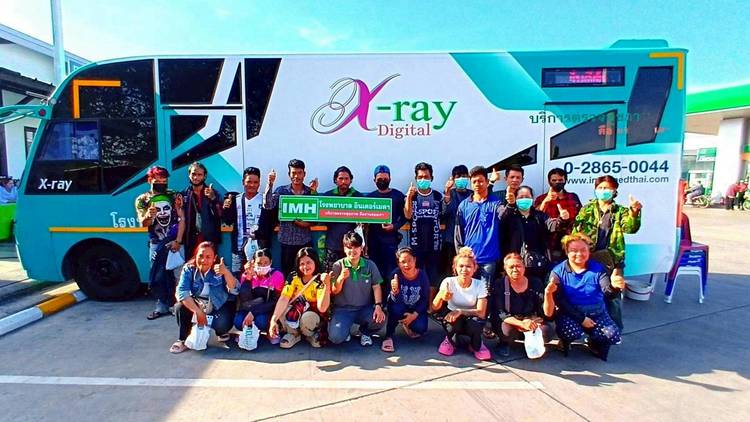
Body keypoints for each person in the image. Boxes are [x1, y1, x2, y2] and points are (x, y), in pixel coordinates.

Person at [573, 175, 642, 330]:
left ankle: (615, 331)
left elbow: (630, 228)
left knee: (612, 297)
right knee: (589, 295)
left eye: (607, 188)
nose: (603, 191)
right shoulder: (587, 209)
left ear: (614, 190)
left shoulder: (620, 211)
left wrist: (634, 212)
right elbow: (576, 232)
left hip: (612, 261)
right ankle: (591, 330)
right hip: (589, 259)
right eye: (600, 188)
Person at [547, 233, 623, 361]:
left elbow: (608, 293)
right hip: (570, 312)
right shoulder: (557, 272)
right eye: (574, 250)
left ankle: (595, 342)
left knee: (612, 335)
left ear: (589, 251)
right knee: (569, 332)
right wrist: (581, 318)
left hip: (597, 313)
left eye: (583, 250)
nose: (579, 254)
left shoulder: (599, 269)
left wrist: (615, 287)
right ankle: (565, 342)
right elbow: (559, 300)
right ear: (567, 252)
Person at [169, 241, 239, 354]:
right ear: (196, 256)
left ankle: (221, 332)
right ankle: (182, 339)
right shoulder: (189, 269)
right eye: (200, 256)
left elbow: (234, 289)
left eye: (208, 257)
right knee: (179, 307)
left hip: (218, 305)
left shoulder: (221, 269)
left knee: (222, 324)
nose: (203, 260)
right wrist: (198, 312)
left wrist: (226, 273)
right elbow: (182, 292)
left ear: (214, 258)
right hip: (198, 304)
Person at [135, 166, 185, 320]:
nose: (162, 184)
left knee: (179, 275)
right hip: (156, 243)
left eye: (164, 181)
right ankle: (161, 306)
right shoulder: (142, 199)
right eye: (158, 181)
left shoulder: (174, 195)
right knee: (158, 276)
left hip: (174, 241)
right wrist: (149, 216)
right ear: (150, 180)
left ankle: (179, 306)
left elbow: (182, 218)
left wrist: (178, 240)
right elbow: (143, 223)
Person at [432, 247, 491, 361]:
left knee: (475, 327)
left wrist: (460, 311)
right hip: (453, 317)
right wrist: (441, 296)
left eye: (468, 266)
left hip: (472, 316)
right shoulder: (448, 281)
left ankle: (476, 342)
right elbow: (434, 307)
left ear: (474, 268)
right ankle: (449, 340)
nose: (464, 269)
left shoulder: (480, 285)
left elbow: (481, 313)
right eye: (461, 266)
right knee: (452, 324)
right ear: (455, 267)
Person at [328, 231, 386, 346]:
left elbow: (376, 286)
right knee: (335, 337)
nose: (352, 251)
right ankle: (345, 331)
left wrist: (378, 306)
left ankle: (365, 332)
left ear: (361, 248)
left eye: (356, 247)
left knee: (381, 319)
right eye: (349, 247)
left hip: (364, 308)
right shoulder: (337, 265)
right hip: (343, 309)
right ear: (344, 249)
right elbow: (334, 291)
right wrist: (341, 278)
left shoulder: (370, 265)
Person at [454, 166, 507, 291]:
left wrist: (510, 204)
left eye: (481, 181)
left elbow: (504, 215)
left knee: (485, 293)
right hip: (469, 259)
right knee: (468, 291)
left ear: (487, 182)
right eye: (474, 181)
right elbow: (458, 232)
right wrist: (460, 252)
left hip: (489, 259)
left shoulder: (496, 203)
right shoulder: (463, 205)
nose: (477, 184)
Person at [263, 159, 319, 276]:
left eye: (299, 173)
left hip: (305, 241)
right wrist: (270, 183)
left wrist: (306, 223)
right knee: (289, 275)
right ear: (289, 174)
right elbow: (268, 205)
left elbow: (316, 218)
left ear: (304, 174)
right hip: (286, 242)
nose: (296, 176)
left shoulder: (310, 192)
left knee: (307, 274)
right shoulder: (281, 191)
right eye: (293, 173)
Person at [490, 253, 553, 357]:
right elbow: (501, 313)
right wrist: (521, 323)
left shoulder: (535, 282)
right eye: (511, 267)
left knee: (547, 332)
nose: (515, 270)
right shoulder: (500, 284)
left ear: (524, 267)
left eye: (518, 266)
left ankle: (531, 343)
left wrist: (548, 294)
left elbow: (546, 312)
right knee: (506, 332)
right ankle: (504, 343)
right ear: (505, 268)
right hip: (511, 321)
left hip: (530, 318)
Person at [501, 185, 568, 280]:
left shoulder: (540, 216)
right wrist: (510, 205)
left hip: (538, 264)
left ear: (532, 199)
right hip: (516, 264)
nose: (524, 199)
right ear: (516, 199)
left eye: (527, 197)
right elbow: (502, 220)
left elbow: (552, 226)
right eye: (521, 197)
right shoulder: (510, 215)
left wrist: (562, 219)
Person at [268, 247, 331, 348]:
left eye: (308, 262)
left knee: (308, 317)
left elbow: (322, 308)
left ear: (315, 262)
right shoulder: (293, 276)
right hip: (296, 310)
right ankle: (293, 334)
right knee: (282, 308)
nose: (305, 266)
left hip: (312, 314)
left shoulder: (320, 279)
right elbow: (284, 298)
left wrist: (327, 284)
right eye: (302, 263)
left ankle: (310, 334)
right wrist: (273, 320)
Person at [404, 162, 444, 298]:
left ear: (431, 178)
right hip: (416, 244)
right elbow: (407, 215)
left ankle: (430, 305)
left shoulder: (438, 196)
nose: (423, 180)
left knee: (433, 276)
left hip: (434, 244)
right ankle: (418, 302)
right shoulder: (412, 196)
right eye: (420, 177)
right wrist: (409, 197)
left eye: (426, 177)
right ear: (416, 179)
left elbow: (444, 214)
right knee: (416, 274)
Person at [381, 247, 431, 353]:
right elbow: (393, 301)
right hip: (400, 306)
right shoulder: (395, 275)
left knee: (421, 328)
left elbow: (424, 298)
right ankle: (389, 336)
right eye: (403, 262)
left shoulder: (422, 276)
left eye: (409, 260)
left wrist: (415, 315)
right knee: (395, 309)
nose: (407, 264)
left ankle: (407, 324)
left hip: (415, 308)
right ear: (398, 263)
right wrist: (395, 291)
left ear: (415, 260)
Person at [234, 248, 285, 345]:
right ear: (253, 263)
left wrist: (253, 312)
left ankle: (269, 331)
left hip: (267, 309)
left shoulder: (277, 276)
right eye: (259, 263)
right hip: (248, 308)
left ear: (271, 262)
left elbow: (275, 301)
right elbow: (244, 299)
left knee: (261, 321)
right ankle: (247, 332)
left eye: (266, 263)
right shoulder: (246, 275)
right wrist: (248, 279)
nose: (263, 266)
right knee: (238, 321)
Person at [366, 165, 407, 279]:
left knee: (391, 272)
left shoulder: (398, 195)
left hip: (390, 242)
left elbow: (406, 217)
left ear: (390, 179)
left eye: (385, 179)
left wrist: (394, 226)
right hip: (373, 243)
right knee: (375, 273)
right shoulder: (370, 198)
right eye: (379, 179)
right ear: (374, 180)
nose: (382, 181)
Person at [534, 168, 582, 262]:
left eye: (560, 180)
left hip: (569, 241)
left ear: (565, 180)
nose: (557, 182)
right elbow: (535, 216)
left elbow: (580, 217)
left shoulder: (573, 197)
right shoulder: (541, 198)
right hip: (549, 243)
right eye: (554, 180)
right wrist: (546, 201)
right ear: (549, 181)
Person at [222, 167, 264, 274]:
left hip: (259, 250)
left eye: (255, 182)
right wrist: (226, 209)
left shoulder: (264, 200)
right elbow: (228, 221)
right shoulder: (235, 200)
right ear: (243, 182)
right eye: (249, 182)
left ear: (259, 183)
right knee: (237, 278)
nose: (252, 185)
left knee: (259, 278)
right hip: (239, 248)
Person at [322, 166, 361, 271]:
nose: (343, 181)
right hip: (332, 245)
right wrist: (313, 192)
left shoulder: (358, 197)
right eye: (341, 178)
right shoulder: (327, 196)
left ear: (351, 180)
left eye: (346, 178)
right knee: (331, 275)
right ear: (335, 180)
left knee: (350, 276)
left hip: (351, 246)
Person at [181, 162, 223, 257]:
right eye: (193, 174)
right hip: (190, 240)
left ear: (204, 176)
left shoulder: (213, 193)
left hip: (209, 239)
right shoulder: (184, 194)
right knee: (190, 265)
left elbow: (221, 215)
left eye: (199, 175)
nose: (196, 177)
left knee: (209, 264)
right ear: (189, 175)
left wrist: (213, 199)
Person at [441, 165, 472, 278]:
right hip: (451, 239)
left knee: (467, 268)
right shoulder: (450, 193)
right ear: (453, 179)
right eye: (458, 176)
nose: (461, 179)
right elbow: (444, 212)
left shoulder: (472, 194)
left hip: (469, 239)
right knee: (451, 270)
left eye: (464, 176)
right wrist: (447, 191)